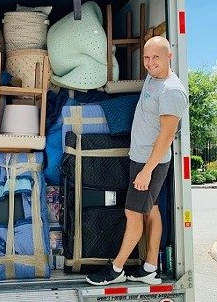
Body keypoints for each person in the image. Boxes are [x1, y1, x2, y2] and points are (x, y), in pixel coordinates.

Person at [86, 36, 188, 286]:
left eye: (156, 57)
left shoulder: (172, 91)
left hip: (149, 164)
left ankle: (117, 268)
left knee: (132, 214)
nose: (150, 63)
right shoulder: (153, 80)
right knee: (150, 211)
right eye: (146, 57)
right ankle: (150, 268)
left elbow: (166, 137)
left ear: (169, 57)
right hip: (140, 159)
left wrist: (146, 172)